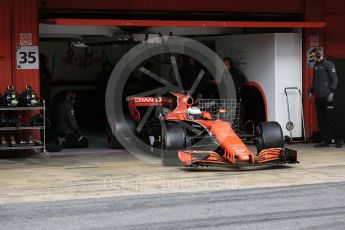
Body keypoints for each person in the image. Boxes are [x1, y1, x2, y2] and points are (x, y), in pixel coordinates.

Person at [308, 48, 343, 148]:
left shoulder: (328, 64)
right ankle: (326, 140)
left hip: (327, 97)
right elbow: (315, 80)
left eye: (314, 56)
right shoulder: (315, 66)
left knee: (331, 119)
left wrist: (332, 92)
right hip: (318, 97)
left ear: (319, 55)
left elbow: (335, 79)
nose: (312, 57)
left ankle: (339, 139)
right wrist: (311, 91)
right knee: (321, 120)